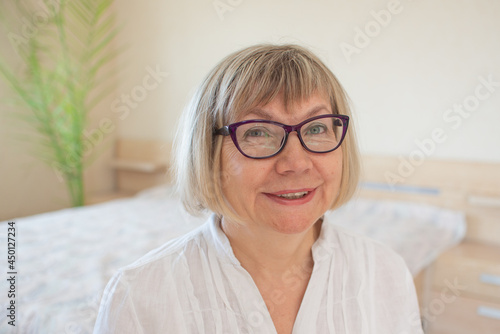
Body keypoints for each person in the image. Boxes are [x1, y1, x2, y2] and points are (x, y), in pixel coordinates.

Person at [93, 44, 423, 333]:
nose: (296, 162)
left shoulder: (385, 273)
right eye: (258, 132)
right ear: (208, 152)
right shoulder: (140, 298)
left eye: (317, 127)